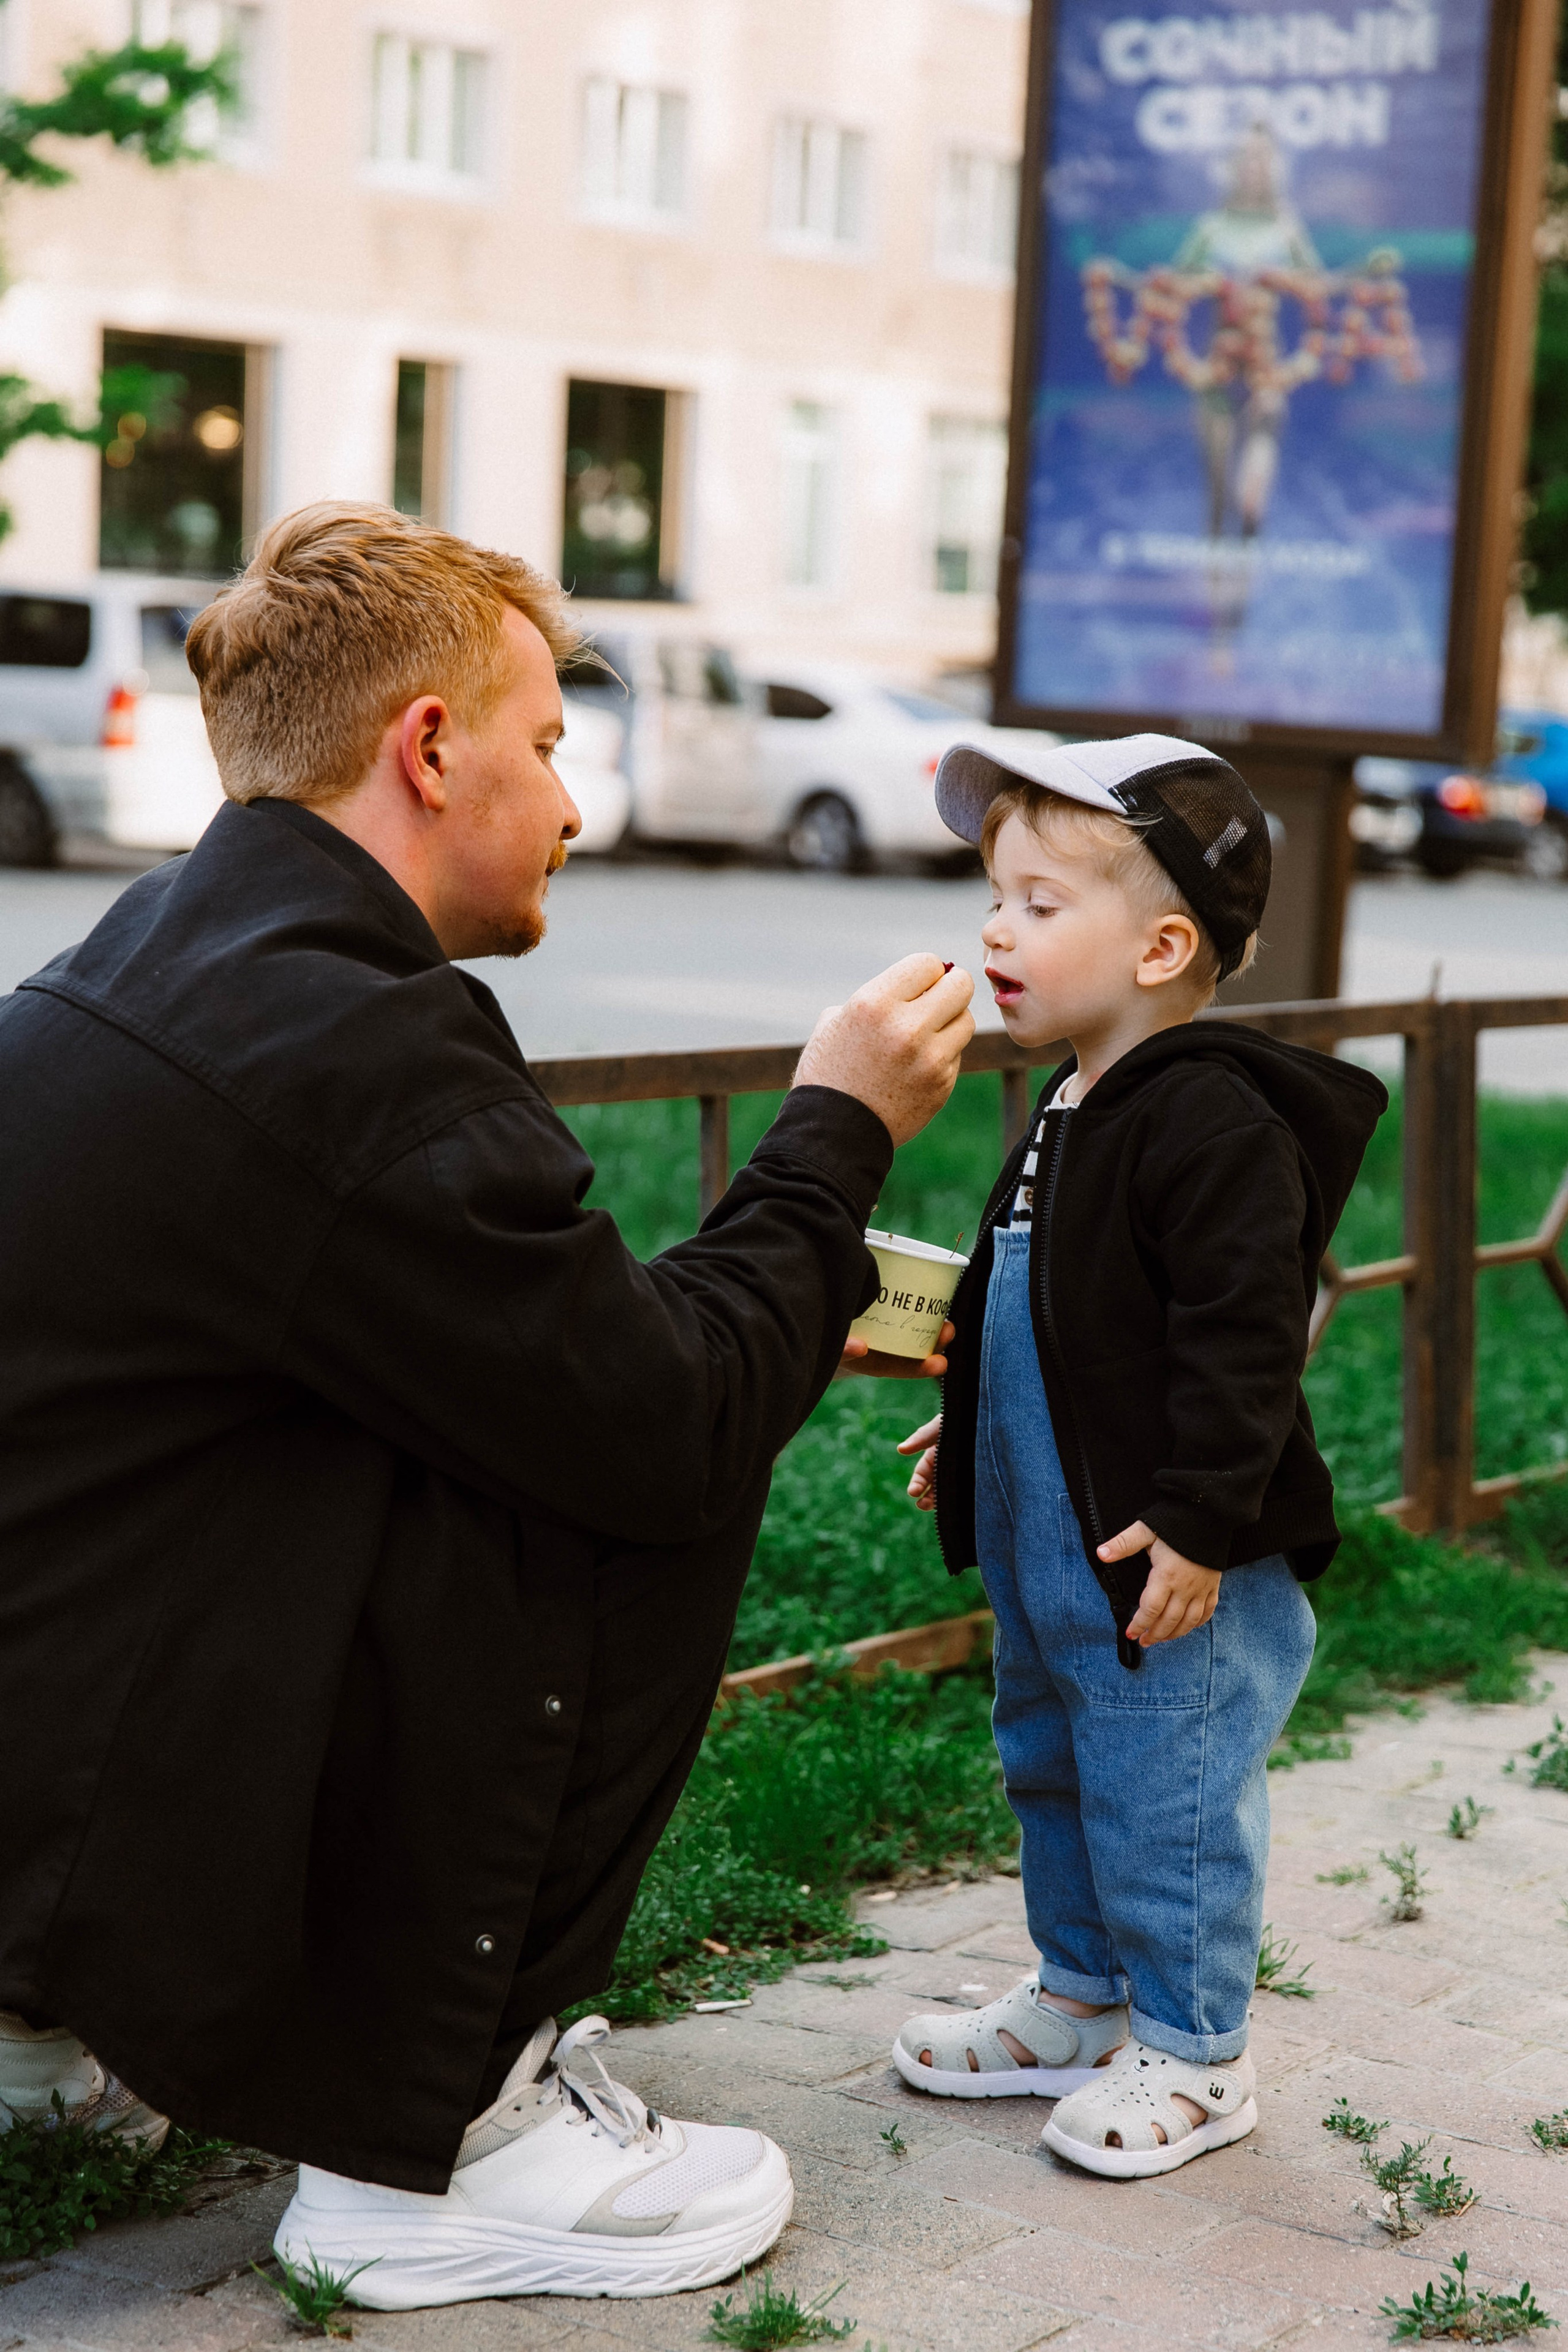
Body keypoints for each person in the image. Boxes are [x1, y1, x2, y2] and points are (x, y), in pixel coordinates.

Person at [0, 502, 974, 2303]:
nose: (575, 806)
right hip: (121, 1789)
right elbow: (660, 1425)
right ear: (431, 749)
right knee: (626, 1495)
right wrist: (835, 1133)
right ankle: (440, 2144)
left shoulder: (148, 954)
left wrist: (754, 1299)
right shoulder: (356, 1042)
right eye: (547, 744)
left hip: (46, 1763)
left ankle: (43, 2039)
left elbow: (502, 1333)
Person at [888, 734, 1384, 2178]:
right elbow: (1059, 1311)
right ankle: (1082, 1996)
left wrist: (1200, 1520)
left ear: (1160, 948)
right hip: (1057, 1547)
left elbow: (1242, 1340)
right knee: (1051, 1762)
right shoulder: (1069, 1106)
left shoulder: (1209, 1117)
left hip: (1163, 1559)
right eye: (994, 897)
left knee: (1165, 1796)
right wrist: (975, 1415)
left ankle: (1193, 2049)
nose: (995, 931)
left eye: (1038, 905)